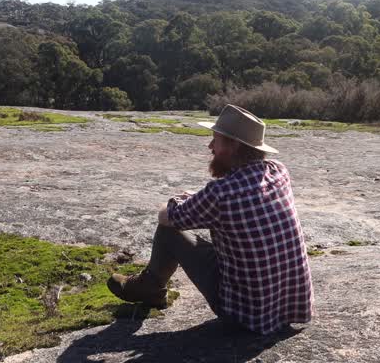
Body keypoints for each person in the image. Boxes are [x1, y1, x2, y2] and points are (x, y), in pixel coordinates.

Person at [107, 104, 314, 335]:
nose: (210, 147)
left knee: (169, 232)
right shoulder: (278, 171)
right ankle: (150, 286)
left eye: (215, 139)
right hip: (288, 308)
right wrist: (200, 199)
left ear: (233, 145)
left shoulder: (220, 193)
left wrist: (181, 201)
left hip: (243, 315)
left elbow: (167, 217)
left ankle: (150, 289)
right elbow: (240, 198)